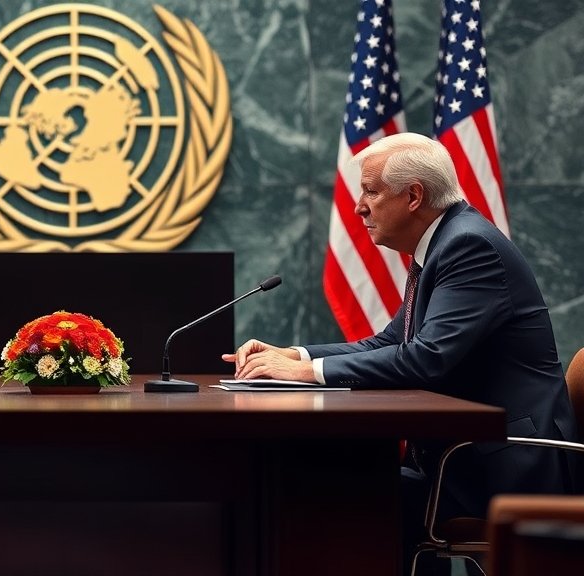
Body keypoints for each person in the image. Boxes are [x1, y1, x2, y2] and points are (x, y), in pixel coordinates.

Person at [223, 132, 577, 569]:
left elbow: (426, 359)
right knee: (333, 486)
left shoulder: (469, 246)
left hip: (501, 463)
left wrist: (308, 373)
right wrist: (295, 355)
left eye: (371, 191)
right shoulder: (445, 242)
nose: (358, 206)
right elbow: (392, 342)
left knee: (337, 497)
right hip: (459, 456)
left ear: (413, 196)